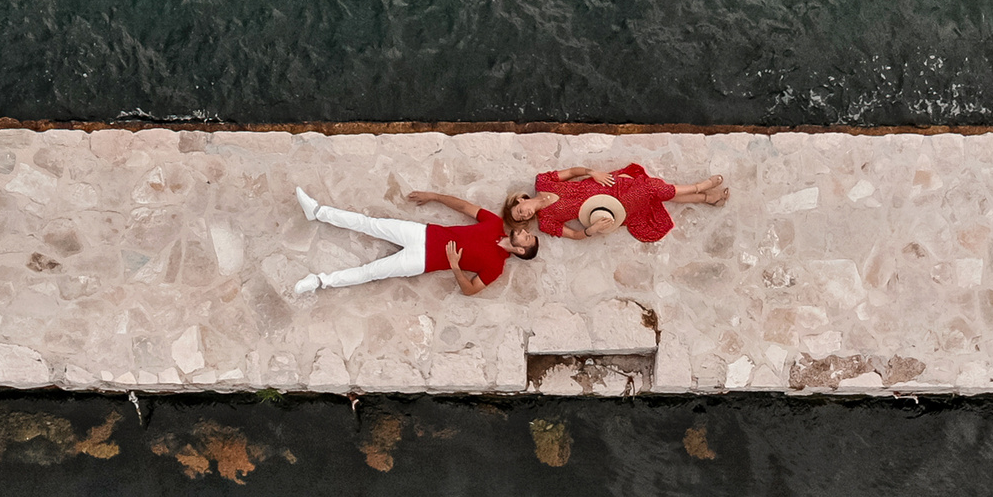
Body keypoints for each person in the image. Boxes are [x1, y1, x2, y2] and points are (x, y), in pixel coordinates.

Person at [291, 187, 521, 296]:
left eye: (526, 238)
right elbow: (463, 207)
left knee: (370, 272)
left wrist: (455, 267)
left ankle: (319, 282)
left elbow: (470, 290)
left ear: (521, 249)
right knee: (368, 223)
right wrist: (435, 197)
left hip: (420, 261)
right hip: (421, 233)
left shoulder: (496, 267)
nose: (523, 232)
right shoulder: (495, 224)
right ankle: (318, 212)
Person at [512, 163, 729, 244]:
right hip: (611, 206)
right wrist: (592, 230)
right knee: (650, 189)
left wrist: (593, 172)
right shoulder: (546, 222)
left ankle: (707, 198)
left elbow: (570, 172)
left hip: (607, 184)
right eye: (522, 218)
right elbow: (575, 235)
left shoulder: (542, 181)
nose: (523, 214)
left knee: (652, 193)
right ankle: (698, 188)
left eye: (519, 210)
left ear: (521, 200)